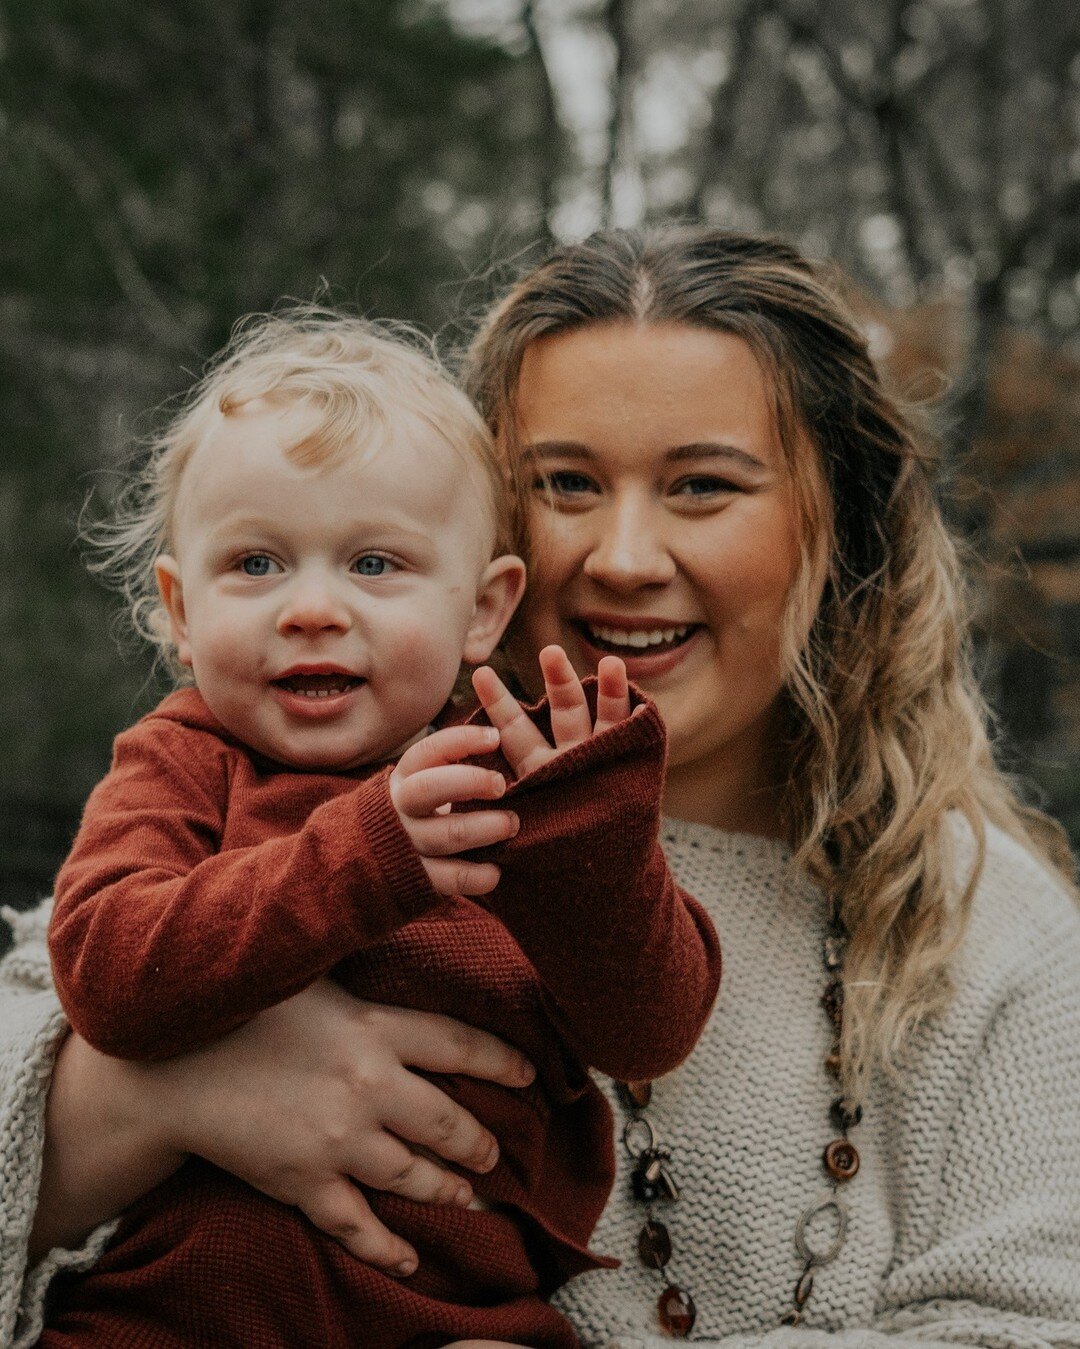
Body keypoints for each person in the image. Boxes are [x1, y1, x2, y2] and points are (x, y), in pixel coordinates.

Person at [3, 225, 1080, 1348]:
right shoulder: (322, 771)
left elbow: (1032, 1325)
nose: (622, 556)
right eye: (564, 481)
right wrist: (153, 1099)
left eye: (702, 485)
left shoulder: (987, 930)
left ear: (838, 523)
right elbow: (77, 987)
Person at [23, 309, 721, 1347]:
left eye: (375, 564)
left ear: (483, 608)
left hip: (457, 1316)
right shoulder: (183, 759)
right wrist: (368, 854)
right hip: (169, 1312)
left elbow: (649, 1032)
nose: (311, 607)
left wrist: (600, 859)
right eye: (256, 564)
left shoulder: (512, 767)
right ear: (179, 606)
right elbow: (106, 974)